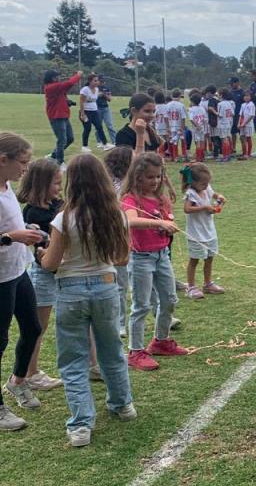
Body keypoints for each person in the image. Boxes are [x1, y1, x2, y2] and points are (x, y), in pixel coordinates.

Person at [39, 153, 136, 447]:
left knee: (73, 359)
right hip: (106, 286)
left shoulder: (64, 218)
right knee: (111, 349)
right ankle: (122, 403)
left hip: (71, 290)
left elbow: (51, 263)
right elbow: (122, 257)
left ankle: (81, 424)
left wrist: (42, 253)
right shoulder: (116, 214)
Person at [121, 152, 187, 371]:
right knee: (141, 305)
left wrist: (168, 225)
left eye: (158, 176)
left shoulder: (161, 199)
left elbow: (166, 220)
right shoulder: (131, 199)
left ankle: (161, 341)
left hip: (161, 255)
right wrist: (158, 224)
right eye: (150, 177)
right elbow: (130, 221)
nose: (155, 181)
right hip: (141, 258)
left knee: (169, 299)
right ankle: (135, 351)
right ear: (137, 176)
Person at [0, 134, 47, 432]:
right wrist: (11, 237)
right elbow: (5, 234)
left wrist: (24, 228)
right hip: (1, 280)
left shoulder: (7, 188)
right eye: (23, 162)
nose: (25, 169)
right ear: (3, 160)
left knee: (32, 328)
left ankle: (17, 381)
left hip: (18, 272)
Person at [17, 160, 64, 392]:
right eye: (56, 183)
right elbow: (40, 248)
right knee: (37, 326)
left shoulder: (56, 204)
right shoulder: (33, 212)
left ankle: (31, 371)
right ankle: (31, 373)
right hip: (43, 274)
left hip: (58, 272)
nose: (59, 188)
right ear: (42, 184)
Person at [182, 163, 226, 299]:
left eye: (207, 183)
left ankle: (208, 284)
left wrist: (220, 197)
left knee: (209, 258)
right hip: (196, 234)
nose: (206, 186)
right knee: (194, 260)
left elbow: (214, 194)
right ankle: (191, 287)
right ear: (193, 182)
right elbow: (187, 209)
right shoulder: (191, 193)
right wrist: (204, 207)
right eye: (203, 184)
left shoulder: (206, 188)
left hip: (209, 232)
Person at [103, 147, 133, 338]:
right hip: (116, 238)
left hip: (129, 237)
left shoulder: (130, 184)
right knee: (119, 283)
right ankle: (120, 322)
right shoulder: (113, 186)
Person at [43, 69, 83, 165]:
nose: (59, 78)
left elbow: (61, 96)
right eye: (57, 76)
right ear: (52, 78)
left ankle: (54, 155)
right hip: (56, 117)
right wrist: (78, 75)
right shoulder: (51, 87)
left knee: (70, 138)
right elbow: (69, 83)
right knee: (62, 140)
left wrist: (68, 102)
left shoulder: (56, 87)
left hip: (63, 116)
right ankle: (60, 162)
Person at [78, 73, 112, 152]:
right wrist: (83, 114)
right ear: (90, 81)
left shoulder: (96, 89)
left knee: (99, 127)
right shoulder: (85, 89)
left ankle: (105, 144)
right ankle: (84, 146)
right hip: (86, 112)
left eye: (97, 81)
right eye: (95, 81)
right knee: (87, 128)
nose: (97, 82)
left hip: (94, 111)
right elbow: (81, 102)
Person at [166, 89, 187, 162]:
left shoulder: (168, 105)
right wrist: (182, 127)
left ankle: (174, 157)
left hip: (171, 125)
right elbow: (183, 117)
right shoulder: (181, 105)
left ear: (172, 96)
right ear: (179, 96)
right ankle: (184, 156)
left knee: (173, 141)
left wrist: (167, 127)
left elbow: (165, 117)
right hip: (179, 125)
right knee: (182, 140)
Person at [95, 79, 118, 146]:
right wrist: (98, 94)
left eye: (103, 81)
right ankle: (99, 142)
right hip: (97, 108)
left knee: (110, 125)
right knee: (98, 126)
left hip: (105, 109)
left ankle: (114, 141)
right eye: (100, 81)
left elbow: (109, 99)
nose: (102, 83)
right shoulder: (94, 88)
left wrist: (105, 95)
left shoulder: (106, 88)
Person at [188, 92, 209, 162]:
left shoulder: (191, 109)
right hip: (202, 127)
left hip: (196, 128)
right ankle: (202, 157)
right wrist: (202, 124)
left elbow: (191, 119)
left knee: (197, 142)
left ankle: (198, 158)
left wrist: (197, 125)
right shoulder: (202, 108)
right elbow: (205, 119)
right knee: (202, 141)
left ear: (192, 101)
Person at [216, 88, 236, 162]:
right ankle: (228, 155)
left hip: (222, 124)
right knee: (227, 138)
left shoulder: (220, 104)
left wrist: (215, 113)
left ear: (221, 95)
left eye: (218, 94)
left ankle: (225, 156)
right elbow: (233, 113)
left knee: (224, 140)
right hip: (229, 123)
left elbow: (220, 115)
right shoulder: (230, 103)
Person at [228, 77, 245, 155]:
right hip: (232, 116)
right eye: (230, 84)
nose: (231, 85)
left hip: (240, 116)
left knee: (242, 134)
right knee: (233, 133)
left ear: (237, 83)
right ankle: (233, 148)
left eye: (232, 83)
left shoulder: (242, 93)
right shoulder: (230, 92)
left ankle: (244, 150)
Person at [237, 91, 256, 160]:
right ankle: (244, 153)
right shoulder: (243, 105)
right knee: (242, 138)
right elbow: (240, 115)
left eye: (248, 96)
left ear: (250, 97)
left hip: (248, 125)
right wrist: (239, 123)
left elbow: (251, 116)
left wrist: (244, 123)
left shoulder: (251, 105)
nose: (246, 97)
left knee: (248, 138)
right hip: (242, 124)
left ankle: (248, 154)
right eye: (245, 96)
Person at [153, 90, 170, 157]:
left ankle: (161, 153)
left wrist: (154, 125)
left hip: (158, 125)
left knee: (160, 140)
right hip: (165, 125)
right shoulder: (166, 106)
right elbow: (166, 117)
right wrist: (168, 127)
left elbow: (153, 118)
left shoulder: (155, 107)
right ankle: (169, 152)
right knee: (168, 140)